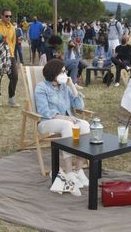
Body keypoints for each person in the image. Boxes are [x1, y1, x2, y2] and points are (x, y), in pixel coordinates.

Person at [35, 59, 90, 189]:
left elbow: (80, 105)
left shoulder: (65, 87)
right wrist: (65, 118)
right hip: (46, 122)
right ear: (54, 73)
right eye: (63, 71)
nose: (65, 74)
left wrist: (72, 85)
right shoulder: (41, 87)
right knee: (68, 126)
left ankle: (78, 170)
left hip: (67, 119)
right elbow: (44, 111)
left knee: (85, 125)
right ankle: (68, 171)